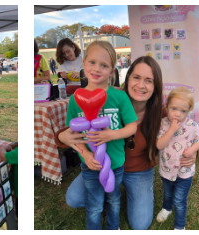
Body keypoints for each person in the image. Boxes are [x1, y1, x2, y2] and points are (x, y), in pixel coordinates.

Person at [63, 56, 165, 230]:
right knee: (74, 198)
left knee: (140, 224)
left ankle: (118, 196)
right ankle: (105, 198)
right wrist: (62, 137)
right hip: (104, 166)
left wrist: (193, 152)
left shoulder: (160, 112)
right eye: (136, 77)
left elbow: (186, 132)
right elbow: (77, 124)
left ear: (155, 87)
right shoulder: (110, 99)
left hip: (138, 171)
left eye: (149, 81)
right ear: (127, 78)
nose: (141, 85)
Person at [58, 41, 138, 230]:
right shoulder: (76, 99)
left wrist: (112, 135)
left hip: (116, 163)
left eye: (104, 65)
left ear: (112, 71)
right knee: (94, 205)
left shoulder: (119, 97)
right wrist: (85, 154)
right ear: (84, 64)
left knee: (113, 199)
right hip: (89, 165)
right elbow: (73, 133)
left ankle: (113, 228)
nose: (97, 69)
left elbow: (132, 127)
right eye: (92, 62)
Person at [154, 87, 199, 230]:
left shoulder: (192, 125)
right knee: (168, 193)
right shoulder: (163, 124)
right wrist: (171, 130)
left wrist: (193, 150)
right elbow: (159, 144)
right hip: (167, 169)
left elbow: (198, 140)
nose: (177, 114)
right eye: (174, 108)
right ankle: (167, 208)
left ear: (188, 111)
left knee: (180, 200)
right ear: (167, 106)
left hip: (184, 172)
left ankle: (180, 226)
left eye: (183, 111)